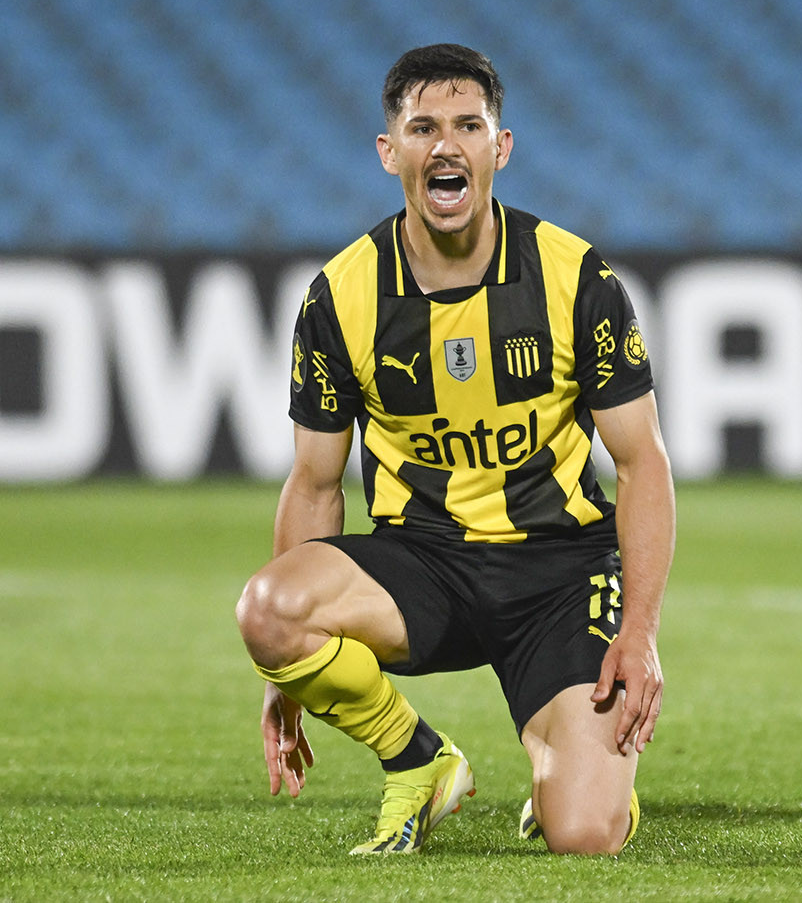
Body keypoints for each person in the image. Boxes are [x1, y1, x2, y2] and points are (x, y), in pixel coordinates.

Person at [235, 43, 674, 856]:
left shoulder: (576, 278)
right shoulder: (341, 295)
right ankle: (420, 760)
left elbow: (644, 462)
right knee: (266, 610)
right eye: (423, 126)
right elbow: (315, 482)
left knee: (584, 834)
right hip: (421, 566)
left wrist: (639, 630)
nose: (447, 144)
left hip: (558, 570)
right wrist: (283, 672)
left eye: (469, 125)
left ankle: (571, 772)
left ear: (499, 148)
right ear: (389, 151)